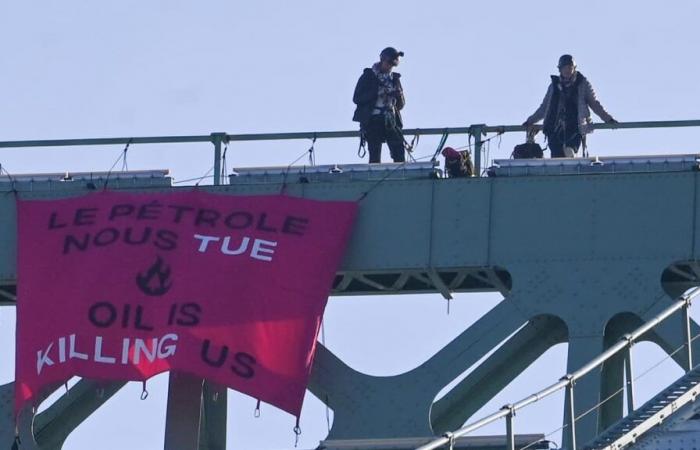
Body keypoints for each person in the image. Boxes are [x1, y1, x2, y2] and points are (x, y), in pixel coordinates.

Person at [523, 54, 617, 158]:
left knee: (569, 151)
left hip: (575, 126)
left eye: (570, 67)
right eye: (565, 68)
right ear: (560, 70)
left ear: (574, 69)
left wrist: (608, 119)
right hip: (554, 126)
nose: (567, 70)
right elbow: (545, 107)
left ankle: (571, 160)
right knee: (556, 157)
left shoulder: (582, 84)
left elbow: (594, 104)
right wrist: (530, 121)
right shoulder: (554, 86)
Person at [352, 47, 406, 163]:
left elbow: (400, 106)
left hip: (391, 120)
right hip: (373, 120)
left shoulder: (394, 79)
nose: (389, 67)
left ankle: (401, 176)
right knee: (375, 154)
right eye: (388, 63)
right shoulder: (369, 76)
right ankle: (375, 177)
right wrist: (377, 93)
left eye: (392, 65)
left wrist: (398, 95)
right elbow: (357, 98)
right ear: (382, 60)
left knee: (399, 151)